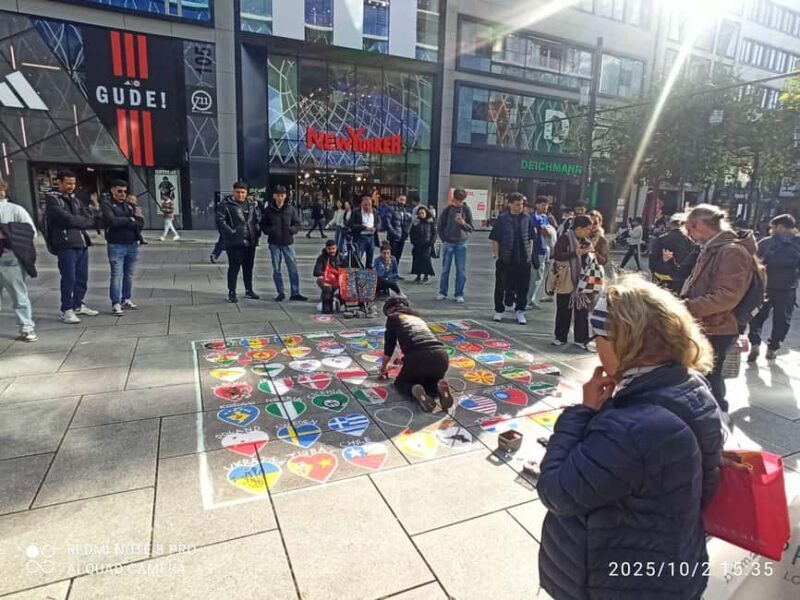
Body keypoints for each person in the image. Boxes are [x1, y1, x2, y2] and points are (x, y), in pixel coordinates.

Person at [537, 276, 723, 600]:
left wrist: (581, 413)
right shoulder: (691, 385)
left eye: (599, 338)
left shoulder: (630, 428)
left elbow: (555, 491)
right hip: (669, 563)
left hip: (619, 580)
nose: (596, 348)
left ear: (624, 342)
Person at [682, 204, 760, 412]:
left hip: (718, 327)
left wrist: (686, 307)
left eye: (688, 228)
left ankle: (717, 418)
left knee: (709, 378)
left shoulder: (731, 251)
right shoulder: (715, 248)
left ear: (699, 224)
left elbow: (726, 296)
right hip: (710, 324)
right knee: (703, 376)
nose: (688, 234)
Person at [378, 296, 454, 413]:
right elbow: (422, 341)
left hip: (418, 357)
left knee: (401, 383)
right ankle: (438, 386)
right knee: (430, 381)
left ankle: (413, 389)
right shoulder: (417, 318)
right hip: (441, 356)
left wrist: (383, 368)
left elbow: (389, 347)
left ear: (389, 310)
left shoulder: (393, 318)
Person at [45, 170, 100, 324]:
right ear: (59, 182)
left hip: (81, 242)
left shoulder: (76, 200)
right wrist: (79, 220)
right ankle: (66, 309)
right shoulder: (53, 199)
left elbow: (90, 219)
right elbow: (65, 219)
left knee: (82, 277)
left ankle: (78, 304)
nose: (71, 186)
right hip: (65, 243)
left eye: (73, 183)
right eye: (68, 183)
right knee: (69, 277)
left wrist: (78, 221)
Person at [748, 214, 800, 362]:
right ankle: (772, 348)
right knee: (782, 320)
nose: (771, 229)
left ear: (780, 227)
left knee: (756, 316)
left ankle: (755, 343)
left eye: (773, 227)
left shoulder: (765, 243)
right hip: (787, 289)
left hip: (764, 288)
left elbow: (752, 264)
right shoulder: (798, 244)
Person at [0, 178, 38, 342]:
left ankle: (27, 327)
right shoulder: (16, 209)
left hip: (9, 258)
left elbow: (31, 232)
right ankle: (26, 328)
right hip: (9, 258)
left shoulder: (15, 209)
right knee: (19, 295)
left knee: (19, 295)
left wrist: (7, 233)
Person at [551, 215, 595, 350]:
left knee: (582, 310)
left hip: (582, 280)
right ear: (579, 228)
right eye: (587, 229)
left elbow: (590, 258)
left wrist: (590, 255)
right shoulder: (565, 238)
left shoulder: (586, 241)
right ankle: (560, 337)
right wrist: (575, 253)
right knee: (563, 309)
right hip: (566, 278)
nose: (589, 232)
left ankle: (581, 339)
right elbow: (557, 255)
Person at [102, 180, 143, 316]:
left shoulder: (130, 205)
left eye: (125, 191)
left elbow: (140, 222)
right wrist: (130, 220)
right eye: (119, 191)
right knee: (116, 275)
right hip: (116, 245)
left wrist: (126, 221)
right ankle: (116, 303)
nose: (123, 194)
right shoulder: (107, 205)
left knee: (129, 274)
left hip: (132, 244)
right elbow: (112, 221)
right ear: (113, 190)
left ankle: (126, 299)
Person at [490, 193, 532, 325]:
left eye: (521, 204)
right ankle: (499, 310)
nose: (520, 207)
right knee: (500, 286)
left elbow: (531, 238)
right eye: (517, 204)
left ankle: (520, 310)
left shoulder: (526, 218)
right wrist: (498, 256)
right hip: (506, 259)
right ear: (510, 204)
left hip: (523, 259)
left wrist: (529, 255)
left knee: (523, 287)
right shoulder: (502, 219)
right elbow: (495, 239)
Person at [216, 182, 262, 303]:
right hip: (234, 242)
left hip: (250, 241)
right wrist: (231, 232)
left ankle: (249, 289)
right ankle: (232, 291)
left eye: (243, 192)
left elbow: (257, 218)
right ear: (233, 192)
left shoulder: (251, 204)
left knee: (248, 267)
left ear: (246, 193)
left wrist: (257, 231)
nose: (240, 195)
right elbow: (220, 221)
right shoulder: (226, 205)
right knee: (234, 268)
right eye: (238, 192)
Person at [262, 185, 306, 302]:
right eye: (278, 195)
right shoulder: (268, 210)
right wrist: (270, 231)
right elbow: (263, 225)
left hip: (288, 242)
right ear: (274, 196)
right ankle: (280, 292)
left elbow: (297, 223)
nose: (280, 198)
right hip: (274, 243)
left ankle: (295, 292)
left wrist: (292, 230)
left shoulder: (291, 209)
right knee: (276, 269)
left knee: (292, 268)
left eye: (282, 195)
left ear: (285, 196)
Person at [437, 188, 474, 304]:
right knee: (445, 269)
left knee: (461, 270)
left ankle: (459, 293)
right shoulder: (448, 209)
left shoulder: (466, 209)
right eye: (457, 199)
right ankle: (443, 292)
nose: (458, 202)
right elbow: (440, 225)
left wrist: (463, 223)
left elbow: (471, 228)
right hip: (449, 242)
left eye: (460, 200)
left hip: (461, 243)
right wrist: (444, 239)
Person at [649, 213, 695, 295]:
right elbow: (690, 261)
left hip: (660, 274)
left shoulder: (661, 238)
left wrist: (653, 270)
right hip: (678, 278)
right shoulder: (689, 241)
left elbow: (652, 257)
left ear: (671, 224)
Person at [527, 196, 551, 310]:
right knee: (535, 276)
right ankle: (527, 300)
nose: (545, 207)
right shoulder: (534, 218)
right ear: (536, 205)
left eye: (546, 205)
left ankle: (531, 298)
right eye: (542, 204)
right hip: (536, 251)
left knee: (538, 276)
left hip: (544, 250)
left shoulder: (545, 217)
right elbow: (545, 232)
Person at [313, 239, 345, 314]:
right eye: (329, 249)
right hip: (325, 278)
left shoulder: (341, 257)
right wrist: (328, 274)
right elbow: (316, 272)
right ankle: (327, 309)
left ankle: (338, 300)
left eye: (333, 249)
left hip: (338, 278)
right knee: (327, 288)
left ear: (336, 248)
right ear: (326, 248)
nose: (331, 251)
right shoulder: (321, 257)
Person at [350, 195, 382, 267]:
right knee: (357, 258)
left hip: (371, 238)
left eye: (369, 205)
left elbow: (379, 222)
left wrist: (375, 228)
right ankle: (357, 272)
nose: (367, 207)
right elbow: (351, 224)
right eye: (365, 205)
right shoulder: (356, 212)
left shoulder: (375, 212)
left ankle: (368, 272)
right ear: (361, 204)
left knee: (370, 259)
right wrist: (364, 228)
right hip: (361, 238)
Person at [410, 206, 436, 284]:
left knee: (426, 260)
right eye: (420, 213)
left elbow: (434, 234)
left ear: (426, 213)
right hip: (417, 245)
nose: (421, 214)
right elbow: (412, 233)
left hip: (427, 245)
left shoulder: (430, 222)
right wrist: (414, 241)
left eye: (423, 213)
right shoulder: (416, 222)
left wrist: (431, 242)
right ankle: (418, 276)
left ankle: (426, 276)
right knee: (417, 260)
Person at [385, 194, 413, 267]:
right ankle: (390, 271)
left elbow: (409, 222)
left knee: (398, 256)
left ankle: (395, 270)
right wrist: (394, 233)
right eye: (401, 199)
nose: (402, 202)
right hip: (393, 237)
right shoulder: (391, 208)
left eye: (404, 200)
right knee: (392, 256)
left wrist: (406, 233)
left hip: (402, 237)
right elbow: (387, 222)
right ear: (397, 199)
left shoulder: (405, 210)